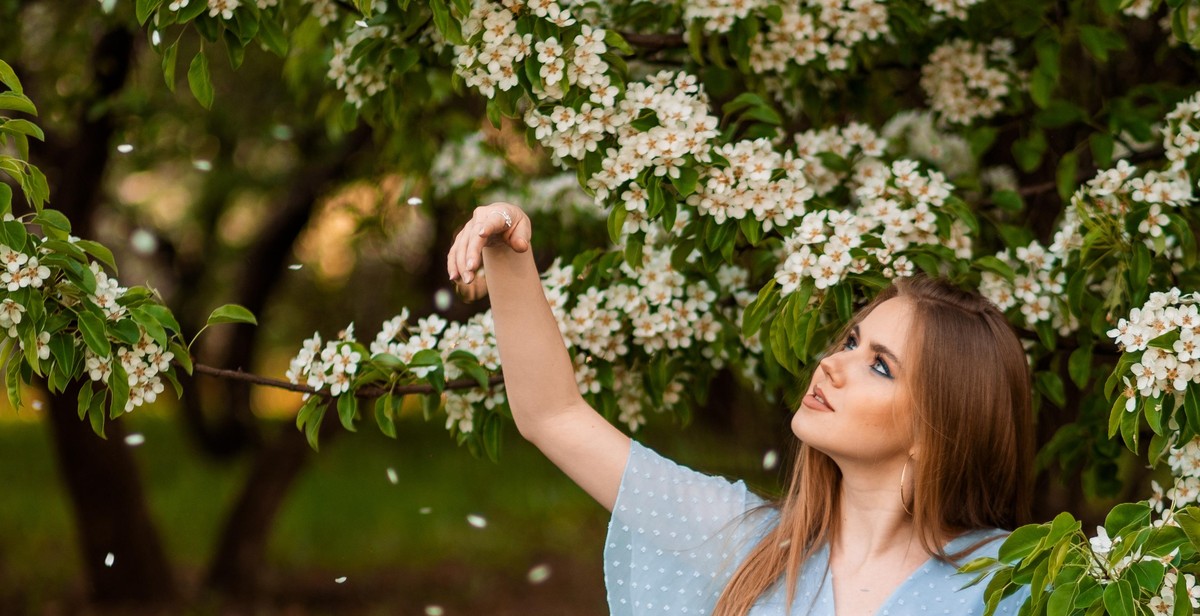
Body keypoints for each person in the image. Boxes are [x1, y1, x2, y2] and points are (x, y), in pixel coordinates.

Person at [447, 202, 1034, 615]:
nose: (833, 363)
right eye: (851, 341)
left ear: (937, 431)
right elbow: (553, 415)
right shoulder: (748, 542)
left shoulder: (1010, 582)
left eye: (880, 366)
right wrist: (508, 251)